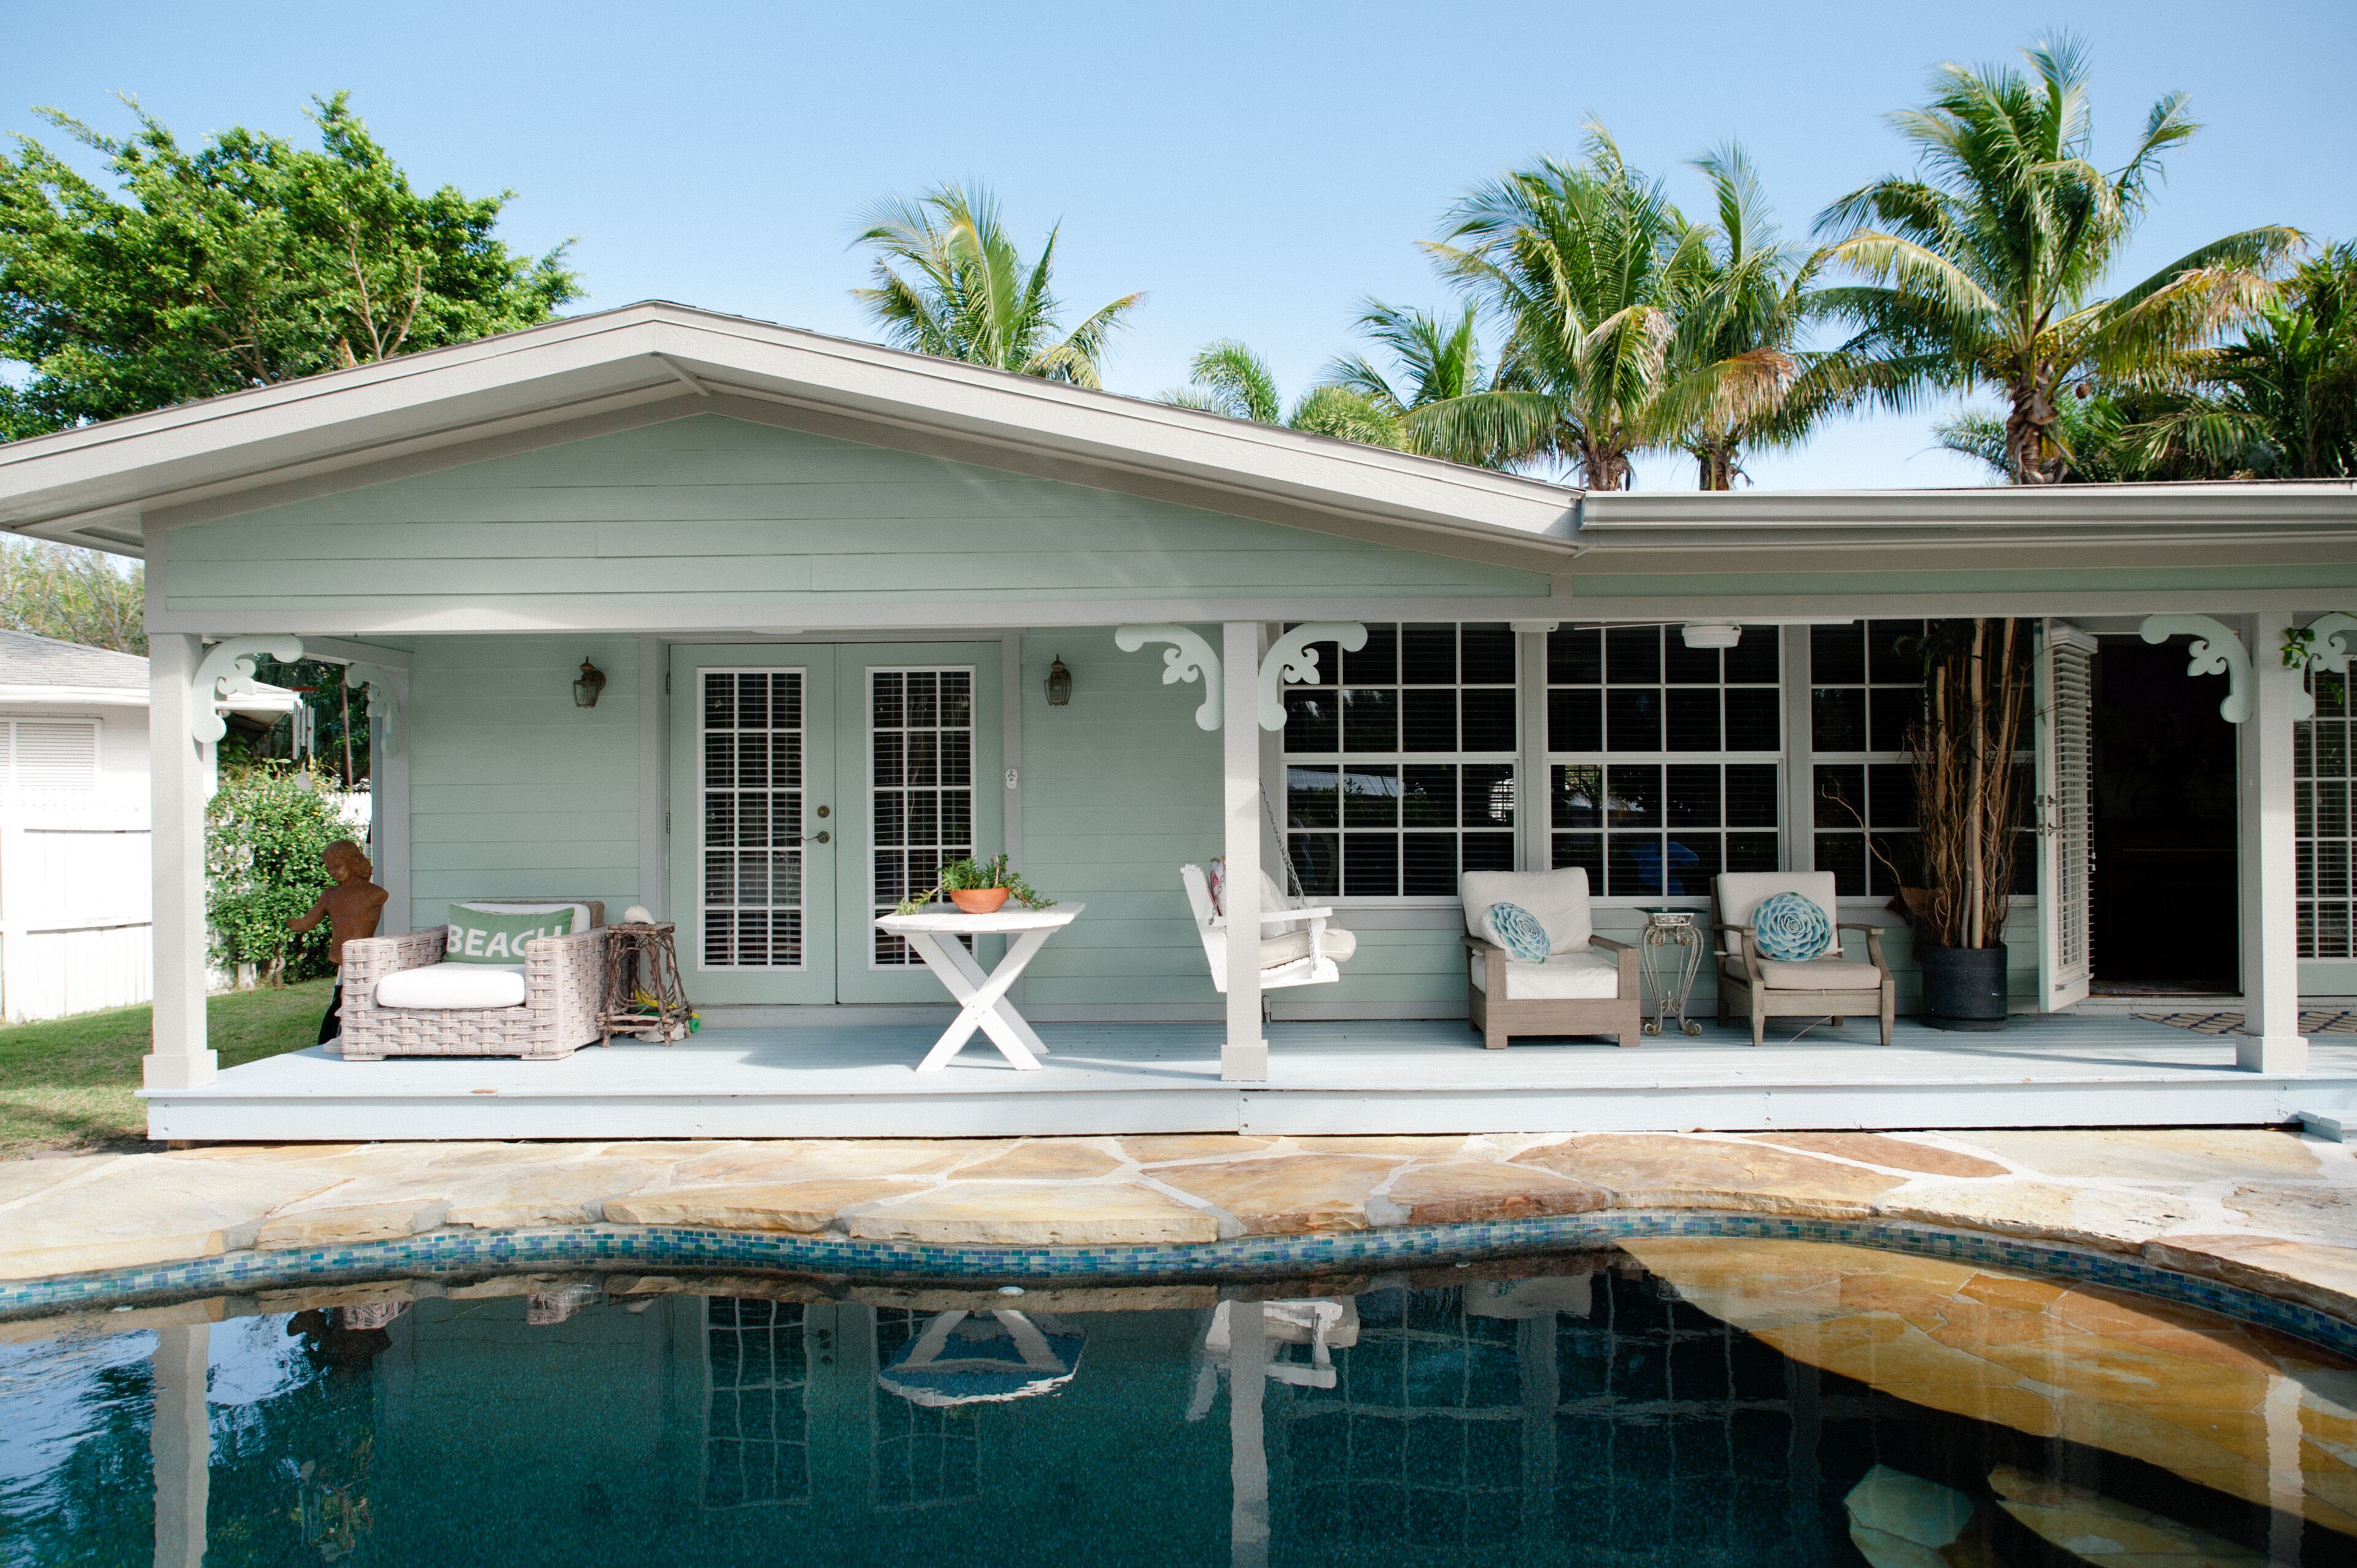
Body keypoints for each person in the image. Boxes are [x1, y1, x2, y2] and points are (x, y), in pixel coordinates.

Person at [288, 840, 389, 1045]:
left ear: (353, 863)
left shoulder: (375, 894)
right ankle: (348, 1034)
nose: (333, 872)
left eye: (338, 867)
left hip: (361, 954)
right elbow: (308, 922)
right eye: (329, 868)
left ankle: (355, 1033)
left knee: (356, 995)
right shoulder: (330, 895)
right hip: (341, 952)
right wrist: (293, 923)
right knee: (347, 995)